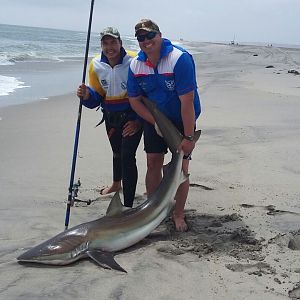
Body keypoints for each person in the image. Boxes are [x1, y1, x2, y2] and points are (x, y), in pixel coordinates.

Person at [127, 19, 201, 231]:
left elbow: (187, 102)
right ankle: (153, 210)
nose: (146, 41)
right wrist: (155, 123)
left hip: (182, 118)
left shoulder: (179, 59)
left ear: (159, 35)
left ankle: (178, 213)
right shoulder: (136, 65)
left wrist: (188, 138)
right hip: (155, 118)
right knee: (153, 163)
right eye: (141, 38)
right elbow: (134, 101)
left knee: (181, 167)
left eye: (150, 35)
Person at [77, 27, 142, 208]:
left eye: (113, 42)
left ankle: (128, 206)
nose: (109, 47)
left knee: (128, 156)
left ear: (120, 43)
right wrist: (87, 96)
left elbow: (145, 93)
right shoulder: (95, 64)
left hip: (132, 115)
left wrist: (138, 120)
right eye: (105, 43)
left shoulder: (134, 61)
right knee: (117, 152)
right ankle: (116, 184)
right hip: (111, 117)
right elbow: (97, 97)